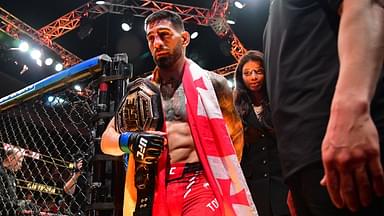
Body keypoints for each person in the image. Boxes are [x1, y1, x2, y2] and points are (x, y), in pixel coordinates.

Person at [101, 10, 257, 216]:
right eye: (151, 37)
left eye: (164, 34)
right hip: (155, 185)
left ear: (184, 39)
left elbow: (235, 136)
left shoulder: (214, 85)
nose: (157, 43)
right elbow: (106, 142)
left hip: (201, 181)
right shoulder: (141, 92)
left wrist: (223, 177)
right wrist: (132, 141)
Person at [264, 0, 384, 215]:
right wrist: (295, 178)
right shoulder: (275, 11)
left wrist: (353, 111)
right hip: (309, 167)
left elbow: (366, 5)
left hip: (346, 148)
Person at [233, 50, 290, 216]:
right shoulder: (235, 106)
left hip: (283, 180)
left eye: (258, 71)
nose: (253, 77)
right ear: (240, 77)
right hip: (254, 185)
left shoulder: (279, 98)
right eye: (247, 73)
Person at [0, 147, 24, 215]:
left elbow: (12, 199)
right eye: (19, 161)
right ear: (10, 158)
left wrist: (25, 203)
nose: (21, 165)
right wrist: (19, 204)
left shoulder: (11, 175)